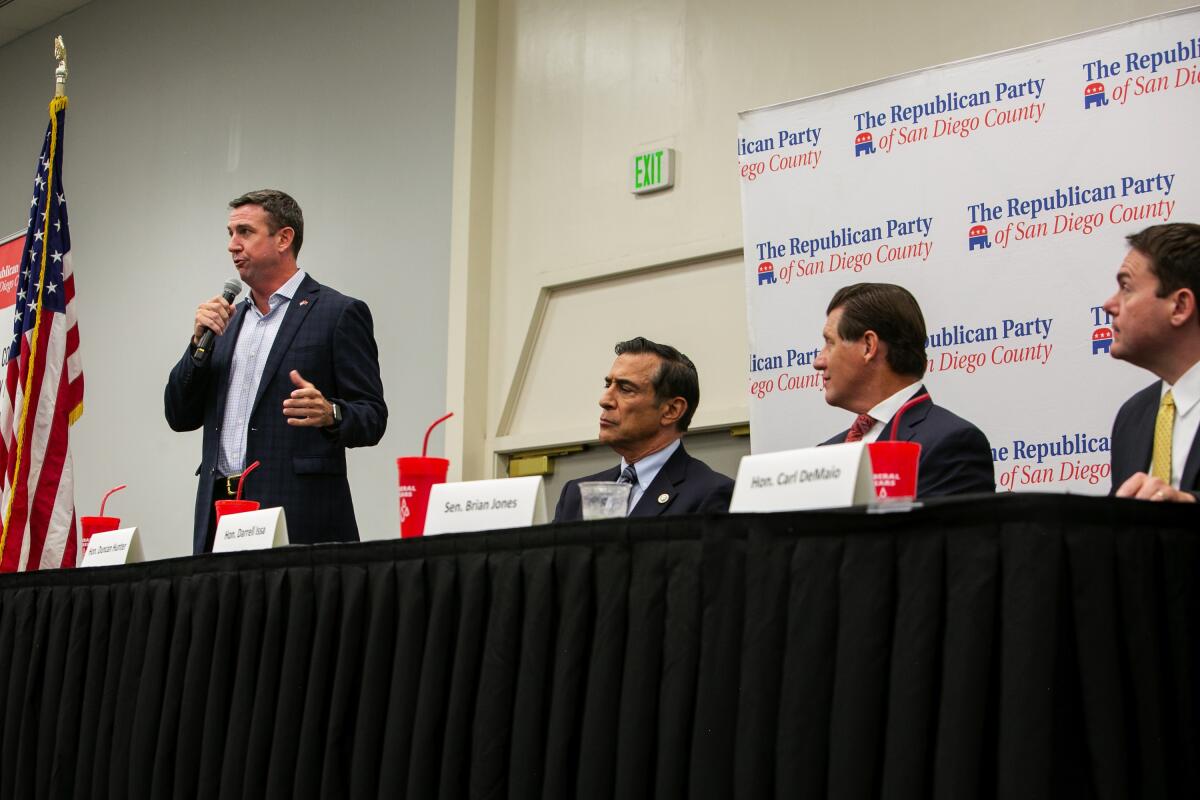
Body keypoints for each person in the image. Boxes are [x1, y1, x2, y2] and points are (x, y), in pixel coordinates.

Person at [165, 189, 387, 552]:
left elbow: (372, 416)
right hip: (220, 512)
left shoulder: (336, 313)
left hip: (297, 515)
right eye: (230, 233)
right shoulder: (225, 323)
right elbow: (178, 414)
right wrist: (196, 347)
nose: (232, 245)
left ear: (284, 238)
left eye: (245, 232)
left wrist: (330, 413)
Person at [813, 282, 994, 497]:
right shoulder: (825, 454)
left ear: (868, 346)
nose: (818, 361)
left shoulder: (952, 443)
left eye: (830, 343)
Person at [553, 337, 734, 521]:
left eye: (625, 388)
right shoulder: (575, 496)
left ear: (672, 410)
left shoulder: (711, 495)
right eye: (608, 385)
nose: (604, 400)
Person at [1104, 223, 1200, 502]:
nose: (1109, 304)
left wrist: (1188, 506)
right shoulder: (1133, 416)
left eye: (1126, 287)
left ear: (1180, 306)